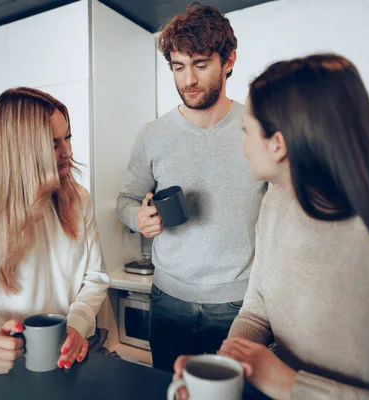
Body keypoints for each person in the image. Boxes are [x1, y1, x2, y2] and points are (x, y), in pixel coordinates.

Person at [172, 53, 369, 399]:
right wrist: (223, 370)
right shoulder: (275, 202)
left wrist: (289, 384)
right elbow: (258, 308)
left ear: (278, 145)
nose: (242, 144)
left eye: (247, 130)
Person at [116, 2, 267, 373]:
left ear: (228, 60)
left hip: (240, 306)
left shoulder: (258, 127)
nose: (188, 80)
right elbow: (126, 200)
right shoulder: (152, 135)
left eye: (200, 65)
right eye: (178, 67)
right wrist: (138, 217)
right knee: (174, 391)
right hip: (167, 300)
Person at [0, 87, 110, 374]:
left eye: (67, 138)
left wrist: (76, 325)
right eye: (53, 143)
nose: (68, 152)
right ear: (18, 150)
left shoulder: (77, 198)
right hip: (12, 366)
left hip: (74, 352)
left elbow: (94, 278)